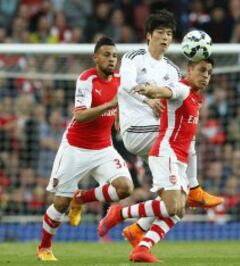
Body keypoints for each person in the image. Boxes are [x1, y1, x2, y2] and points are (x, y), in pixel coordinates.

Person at [115, 9, 223, 250]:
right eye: (161, 32)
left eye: (170, 34)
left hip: (156, 133)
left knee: (177, 203)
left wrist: (162, 103)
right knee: (184, 135)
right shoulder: (134, 57)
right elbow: (126, 85)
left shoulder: (173, 70)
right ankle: (194, 188)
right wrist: (147, 100)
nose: (165, 38)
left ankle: (139, 230)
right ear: (148, 35)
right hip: (135, 130)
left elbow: (173, 102)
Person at [98, 57, 215, 263]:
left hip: (179, 158)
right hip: (165, 151)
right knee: (173, 206)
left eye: (209, 72)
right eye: (202, 70)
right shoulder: (182, 88)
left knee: (179, 206)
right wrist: (152, 91)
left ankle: (141, 242)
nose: (205, 76)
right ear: (189, 70)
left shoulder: (196, 98)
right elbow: (169, 91)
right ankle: (120, 213)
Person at [36, 36, 134, 261]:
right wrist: (110, 106)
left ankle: (80, 198)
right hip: (75, 148)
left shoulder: (120, 80)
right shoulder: (86, 79)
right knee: (60, 204)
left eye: (114, 56)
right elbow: (79, 116)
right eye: (107, 55)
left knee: (125, 187)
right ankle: (44, 247)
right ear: (96, 58)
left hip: (103, 148)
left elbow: (126, 102)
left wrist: (118, 115)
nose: (112, 60)